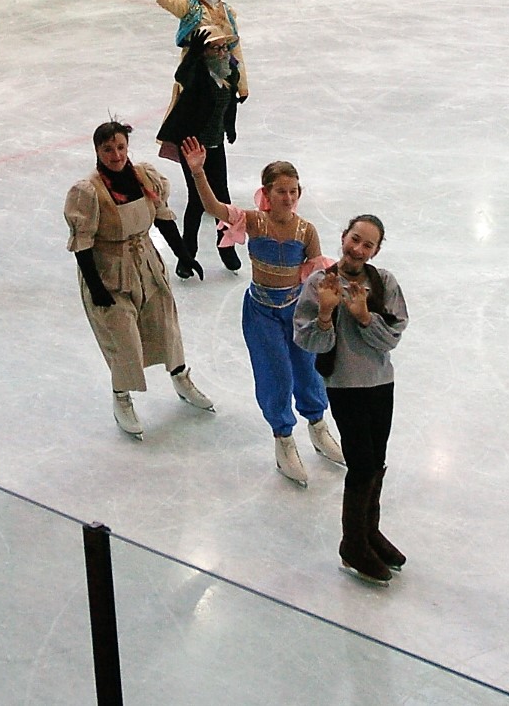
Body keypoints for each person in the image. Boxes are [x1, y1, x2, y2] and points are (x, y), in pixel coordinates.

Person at [181, 136, 346, 487]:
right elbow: (213, 207)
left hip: (297, 313)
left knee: (308, 370)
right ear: (266, 193)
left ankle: (318, 427)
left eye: (293, 191)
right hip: (262, 314)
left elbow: (317, 277)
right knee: (276, 376)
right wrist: (198, 173)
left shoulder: (306, 231)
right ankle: (283, 439)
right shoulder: (255, 222)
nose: (288, 197)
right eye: (281, 191)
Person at [65, 121, 215, 438]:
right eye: (108, 149)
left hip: (147, 266)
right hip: (110, 274)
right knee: (124, 340)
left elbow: (162, 219)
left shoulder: (144, 177)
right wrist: (96, 289)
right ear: (97, 151)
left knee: (166, 326)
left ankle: (181, 377)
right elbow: (82, 245)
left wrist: (185, 255)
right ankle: (121, 397)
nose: (116, 155)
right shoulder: (89, 192)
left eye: (120, 147)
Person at [294, 215, 409, 585]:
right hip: (345, 386)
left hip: (380, 383)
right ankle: (353, 545)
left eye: (367, 245)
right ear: (343, 236)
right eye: (354, 239)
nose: (358, 249)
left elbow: (392, 337)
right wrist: (326, 314)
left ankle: (368, 532)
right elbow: (307, 341)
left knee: (376, 461)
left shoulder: (384, 282)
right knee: (361, 464)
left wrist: (363, 317)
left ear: (376, 250)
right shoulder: (320, 283)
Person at [154, 27, 243, 278]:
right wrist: (192, 55)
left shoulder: (228, 72)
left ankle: (226, 246)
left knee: (222, 196)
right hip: (192, 145)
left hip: (215, 144)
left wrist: (229, 127)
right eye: (216, 48)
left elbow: (229, 104)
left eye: (224, 47)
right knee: (196, 200)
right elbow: (182, 76)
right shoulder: (198, 75)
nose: (222, 52)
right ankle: (187, 255)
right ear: (204, 53)